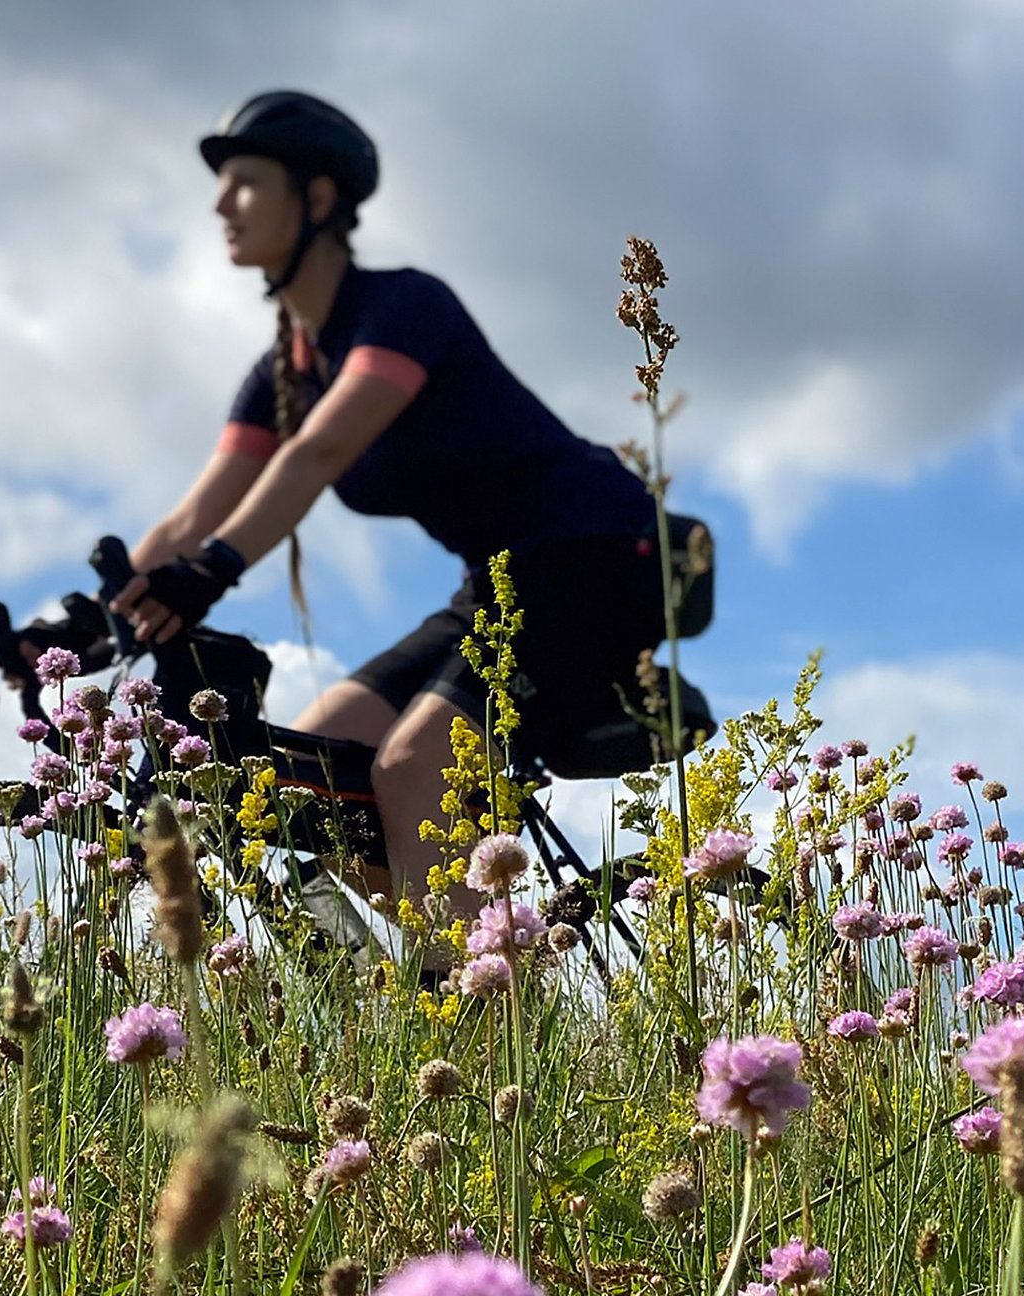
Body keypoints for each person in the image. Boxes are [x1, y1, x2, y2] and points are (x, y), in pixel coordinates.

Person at [112, 90, 672, 947]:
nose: (221, 204)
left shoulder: (404, 309)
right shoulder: (282, 373)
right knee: (304, 766)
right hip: (494, 587)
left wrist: (212, 571)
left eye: (246, 182)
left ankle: (482, 1027)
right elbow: (196, 511)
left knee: (413, 766)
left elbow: (317, 455)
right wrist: (103, 610)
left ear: (320, 198)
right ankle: (453, 969)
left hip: (591, 560)